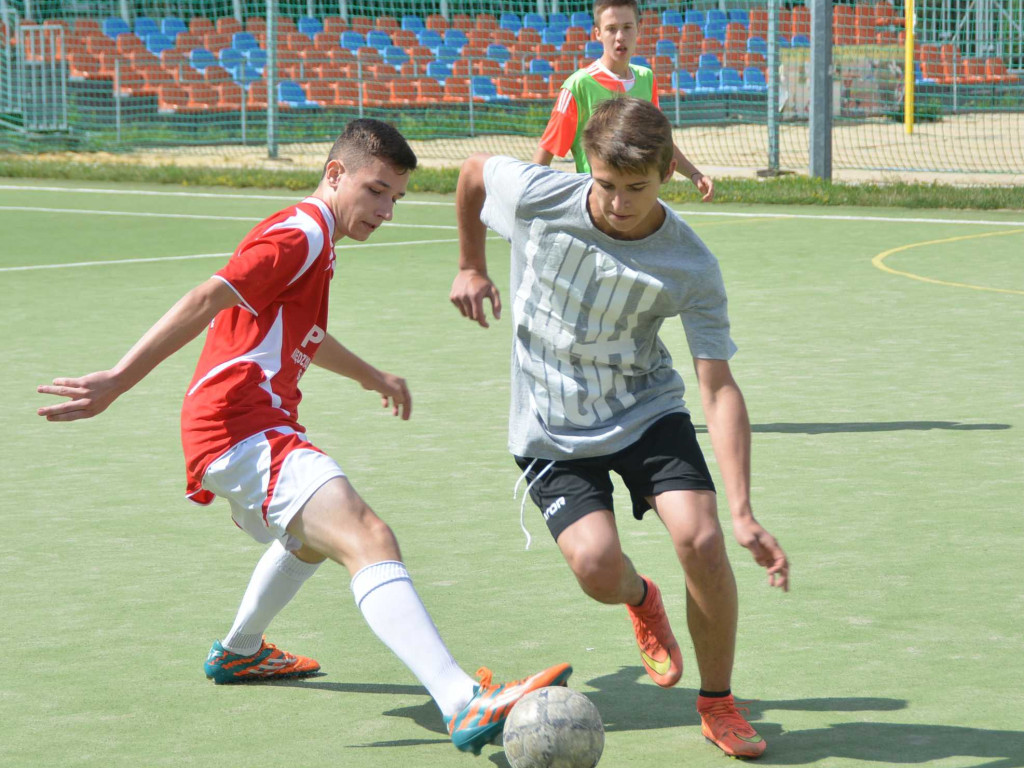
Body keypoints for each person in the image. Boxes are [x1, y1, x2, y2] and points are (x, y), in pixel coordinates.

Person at [36, 118, 571, 755]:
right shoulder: (302, 230)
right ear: (335, 174)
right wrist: (119, 380)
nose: (387, 210)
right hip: (239, 423)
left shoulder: (318, 239)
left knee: (310, 537)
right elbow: (208, 295)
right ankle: (461, 701)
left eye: (396, 198)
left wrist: (372, 374)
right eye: (376, 191)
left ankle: (238, 652)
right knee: (367, 535)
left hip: (243, 425)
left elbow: (303, 336)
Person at [449, 97, 788, 760]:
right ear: (588, 167)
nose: (619, 203)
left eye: (638, 188)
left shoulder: (690, 263)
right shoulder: (542, 193)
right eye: (606, 185)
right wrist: (471, 264)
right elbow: (471, 174)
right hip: (551, 426)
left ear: (666, 173)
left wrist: (743, 508)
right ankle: (640, 597)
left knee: (703, 539)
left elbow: (717, 388)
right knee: (598, 569)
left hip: (644, 409)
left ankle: (718, 701)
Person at [532, 0, 715, 202]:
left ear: (639, 29)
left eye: (627, 27)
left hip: (640, 205)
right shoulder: (577, 86)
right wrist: (530, 197)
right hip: (597, 209)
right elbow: (546, 152)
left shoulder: (646, 79)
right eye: (611, 29)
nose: (620, 37)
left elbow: (661, 142)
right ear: (598, 34)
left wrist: (694, 174)